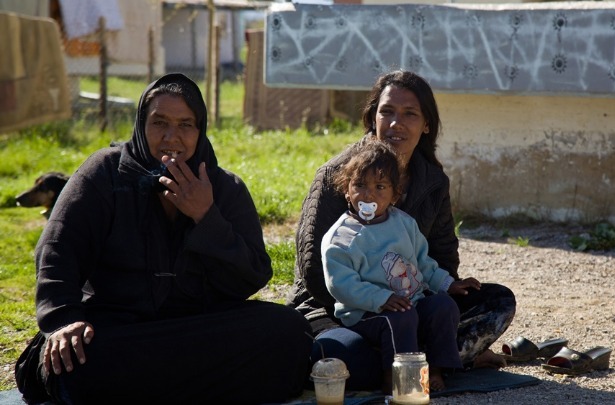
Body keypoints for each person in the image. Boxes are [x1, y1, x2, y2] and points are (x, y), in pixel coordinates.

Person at [14, 73, 312, 405]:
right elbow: (57, 251)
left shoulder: (224, 188)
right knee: (77, 364)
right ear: (142, 125)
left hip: (195, 328)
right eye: (160, 123)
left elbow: (252, 276)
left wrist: (206, 216)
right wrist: (64, 320)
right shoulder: (105, 174)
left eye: (186, 125)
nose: (172, 137)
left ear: (201, 131)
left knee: (289, 330)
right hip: (118, 331)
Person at [288, 70, 516, 390]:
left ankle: (422, 356)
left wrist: (447, 287)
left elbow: (440, 256)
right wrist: (376, 305)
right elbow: (315, 273)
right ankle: (431, 357)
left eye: (410, 114)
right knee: (349, 359)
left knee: (496, 301)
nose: (397, 123)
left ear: (426, 126)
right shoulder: (337, 175)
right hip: (341, 309)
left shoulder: (433, 182)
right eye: (387, 112)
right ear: (372, 118)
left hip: (409, 305)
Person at [322, 140, 467, 393]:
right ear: (347, 190)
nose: (368, 195)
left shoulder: (404, 224)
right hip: (366, 313)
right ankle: (396, 378)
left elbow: (423, 263)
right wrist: (383, 298)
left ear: (394, 195)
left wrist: (448, 283)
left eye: (380, 187)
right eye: (359, 186)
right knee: (399, 317)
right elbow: (341, 286)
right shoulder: (341, 238)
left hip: (411, 302)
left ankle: (437, 370)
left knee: (443, 306)